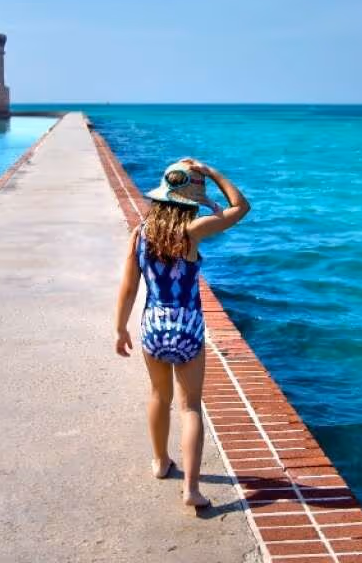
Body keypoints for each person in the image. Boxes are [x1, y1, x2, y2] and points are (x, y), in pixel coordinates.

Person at [113, 158, 250, 510]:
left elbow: (128, 289)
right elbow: (240, 207)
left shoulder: (139, 234)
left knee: (159, 395)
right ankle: (191, 489)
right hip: (187, 327)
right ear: (190, 200)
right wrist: (214, 173)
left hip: (153, 325)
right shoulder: (192, 233)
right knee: (190, 407)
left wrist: (120, 329)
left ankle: (160, 462)